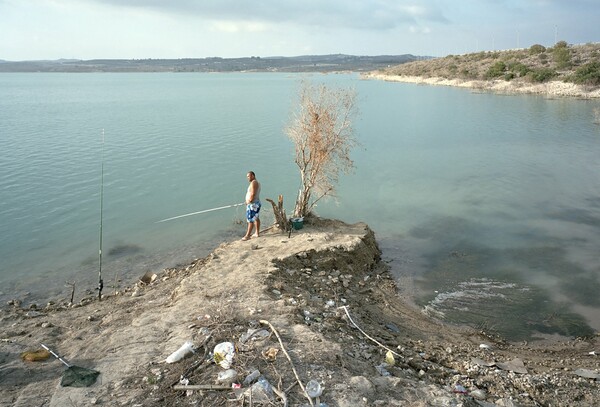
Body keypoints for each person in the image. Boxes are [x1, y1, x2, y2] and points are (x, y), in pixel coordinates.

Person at [242, 171, 261, 241]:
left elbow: (253, 193)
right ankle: (257, 233)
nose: (247, 178)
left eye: (248, 176)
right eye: (247, 176)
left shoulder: (254, 182)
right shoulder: (254, 182)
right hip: (254, 203)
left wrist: (249, 201)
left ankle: (247, 236)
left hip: (253, 204)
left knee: (250, 220)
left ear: (253, 175)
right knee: (256, 218)